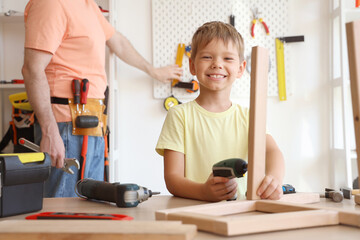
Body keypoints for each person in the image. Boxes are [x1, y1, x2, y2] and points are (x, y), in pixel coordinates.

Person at [21, 0, 182, 197]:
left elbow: (118, 42)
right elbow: (32, 69)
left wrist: (153, 71)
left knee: (88, 207)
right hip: (64, 126)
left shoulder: (88, 6)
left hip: (93, 125)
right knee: (62, 210)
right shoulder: (51, 4)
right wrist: (49, 130)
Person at [156, 21, 284, 202]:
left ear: (240, 68)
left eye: (228, 58)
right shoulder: (179, 116)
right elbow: (173, 179)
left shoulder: (249, 117)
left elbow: (273, 152)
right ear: (192, 66)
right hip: (195, 213)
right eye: (207, 57)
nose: (217, 64)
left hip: (242, 213)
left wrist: (274, 179)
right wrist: (203, 192)